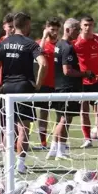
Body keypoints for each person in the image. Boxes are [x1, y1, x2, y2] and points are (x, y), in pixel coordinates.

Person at [0, 12, 47, 174]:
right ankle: (20, 164)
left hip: (6, 88)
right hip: (23, 88)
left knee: (8, 128)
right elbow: (43, 64)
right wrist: (38, 84)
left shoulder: (3, 43)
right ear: (26, 25)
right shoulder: (30, 43)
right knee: (23, 128)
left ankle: (8, 163)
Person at [47, 18, 94, 160]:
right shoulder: (67, 47)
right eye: (77, 29)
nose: (79, 32)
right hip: (68, 88)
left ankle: (54, 149)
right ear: (68, 30)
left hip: (60, 87)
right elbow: (67, 70)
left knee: (61, 119)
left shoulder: (58, 45)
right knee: (65, 120)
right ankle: (61, 151)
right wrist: (85, 73)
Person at [75, 16, 98, 148]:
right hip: (81, 83)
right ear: (81, 26)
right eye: (85, 25)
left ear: (93, 26)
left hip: (96, 82)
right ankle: (87, 139)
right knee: (84, 111)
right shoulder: (75, 42)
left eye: (90, 25)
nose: (87, 27)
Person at [35, 17, 61, 149]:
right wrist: (44, 38)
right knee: (43, 112)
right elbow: (36, 56)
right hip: (44, 84)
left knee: (60, 113)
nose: (54, 32)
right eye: (52, 29)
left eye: (56, 30)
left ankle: (57, 142)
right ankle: (43, 142)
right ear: (46, 29)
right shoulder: (40, 43)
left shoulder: (60, 45)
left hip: (58, 85)